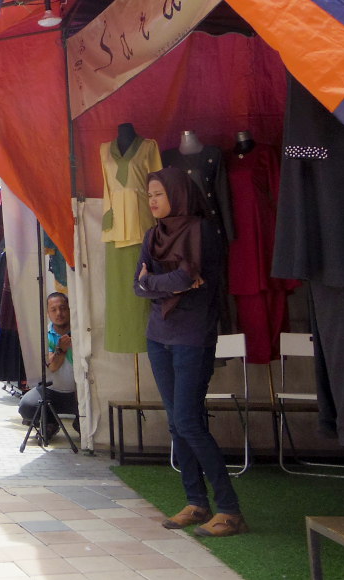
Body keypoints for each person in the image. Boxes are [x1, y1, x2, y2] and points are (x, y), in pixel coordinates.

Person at [135, 166, 247, 538]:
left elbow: (191, 278)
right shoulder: (153, 235)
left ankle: (229, 510)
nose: (152, 200)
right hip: (158, 336)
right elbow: (142, 286)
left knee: (188, 422)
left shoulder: (202, 231)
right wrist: (165, 283)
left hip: (192, 337)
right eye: (149, 194)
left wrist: (158, 282)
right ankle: (197, 503)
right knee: (177, 423)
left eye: (159, 194)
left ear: (178, 194)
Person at [18, 292, 78, 442]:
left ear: (70, 309)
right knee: (27, 405)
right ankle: (50, 423)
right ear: (48, 313)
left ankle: (80, 424)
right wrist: (62, 349)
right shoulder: (43, 334)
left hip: (78, 393)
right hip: (51, 392)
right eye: (54, 309)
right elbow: (52, 366)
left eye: (63, 308)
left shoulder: (81, 331)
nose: (59, 313)